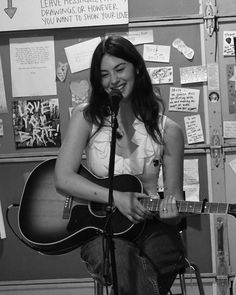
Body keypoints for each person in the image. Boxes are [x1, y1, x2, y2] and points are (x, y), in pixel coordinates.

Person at [54, 35, 186, 295]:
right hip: (101, 228)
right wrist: (116, 197)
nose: (113, 80)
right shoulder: (86, 117)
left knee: (162, 255)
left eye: (119, 69)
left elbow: (176, 202)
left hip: (151, 225)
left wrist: (173, 215)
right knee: (122, 261)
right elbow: (62, 177)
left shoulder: (168, 131)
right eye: (104, 74)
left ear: (136, 68)